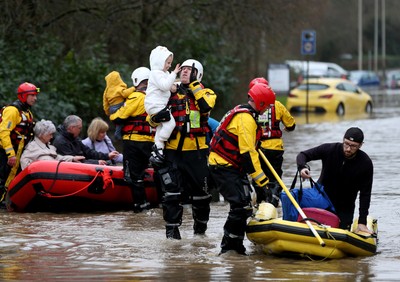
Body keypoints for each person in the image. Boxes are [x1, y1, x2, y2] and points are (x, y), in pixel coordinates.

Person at [209, 83, 276, 255]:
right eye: (268, 105)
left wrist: (260, 182)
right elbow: (248, 154)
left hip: (232, 166)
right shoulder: (246, 119)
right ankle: (228, 247)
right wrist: (262, 182)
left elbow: (251, 151)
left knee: (245, 206)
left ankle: (236, 246)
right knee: (240, 206)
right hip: (222, 165)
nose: (268, 109)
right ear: (261, 103)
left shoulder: (246, 114)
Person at [152, 59, 216, 240]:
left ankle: (200, 233)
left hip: (197, 152)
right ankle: (172, 236)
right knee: (171, 194)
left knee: (202, 195)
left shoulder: (207, 93)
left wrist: (193, 86)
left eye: (190, 70)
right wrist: (157, 118)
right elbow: (150, 118)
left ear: (198, 74)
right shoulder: (169, 93)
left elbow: (205, 107)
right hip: (172, 152)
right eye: (184, 69)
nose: (185, 71)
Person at [297, 127, 374, 234]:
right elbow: (303, 155)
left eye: (353, 146)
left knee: (341, 232)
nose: (348, 149)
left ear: (360, 145)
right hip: (321, 201)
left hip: (344, 208)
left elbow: (365, 194)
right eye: (346, 144)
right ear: (343, 139)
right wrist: (302, 167)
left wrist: (362, 221)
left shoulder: (365, 163)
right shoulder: (330, 149)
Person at [110, 67, 163, 212]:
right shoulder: (156, 97)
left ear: (136, 80)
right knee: (158, 172)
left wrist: (112, 112)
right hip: (152, 142)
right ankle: (162, 203)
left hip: (134, 142)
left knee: (134, 176)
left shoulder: (136, 97)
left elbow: (119, 116)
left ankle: (141, 206)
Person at [249, 77, 296, 207]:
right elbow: (291, 124)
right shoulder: (278, 105)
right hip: (275, 148)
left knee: (258, 176)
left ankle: (260, 202)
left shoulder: (250, 107)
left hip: (257, 149)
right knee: (275, 176)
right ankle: (274, 201)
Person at [0, 82, 39, 204]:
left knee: (11, 180)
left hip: (19, 152)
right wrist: (10, 154)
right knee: (3, 179)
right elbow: (3, 132)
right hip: (6, 153)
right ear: (23, 96)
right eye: (32, 95)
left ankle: (7, 204)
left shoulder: (27, 112)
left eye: (35, 95)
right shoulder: (13, 111)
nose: (35, 98)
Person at [144, 45, 181, 165]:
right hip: (155, 105)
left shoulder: (163, 74)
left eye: (170, 63)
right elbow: (165, 86)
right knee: (171, 124)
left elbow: (171, 87)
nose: (169, 66)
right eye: (168, 63)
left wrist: (178, 84)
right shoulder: (155, 73)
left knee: (161, 126)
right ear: (159, 61)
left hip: (159, 105)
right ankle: (160, 141)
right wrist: (174, 73)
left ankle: (157, 151)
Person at [53, 115, 119, 165]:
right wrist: (96, 162)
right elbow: (74, 160)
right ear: (72, 128)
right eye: (79, 128)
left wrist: (107, 155)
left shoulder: (75, 139)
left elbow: (88, 152)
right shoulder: (61, 142)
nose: (80, 130)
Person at [20, 119, 85, 169]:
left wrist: (72, 159)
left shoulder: (49, 146)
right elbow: (24, 163)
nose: (52, 137)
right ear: (42, 135)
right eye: (50, 134)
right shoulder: (32, 147)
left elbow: (57, 158)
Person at [103, 71, 136, 140]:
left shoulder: (107, 91)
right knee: (122, 120)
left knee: (118, 122)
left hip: (111, 108)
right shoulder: (118, 88)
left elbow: (105, 102)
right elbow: (125, 94)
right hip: (119, 106)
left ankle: (118, 132)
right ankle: (118, 134)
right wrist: (133, 88)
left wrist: (107, 111)